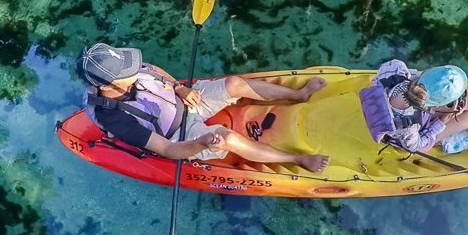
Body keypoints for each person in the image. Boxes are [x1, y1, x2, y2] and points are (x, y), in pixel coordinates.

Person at [77, 43, 331, 172]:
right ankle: (297, 158)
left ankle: (299, 95)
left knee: (233, 83)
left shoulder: (127, 67)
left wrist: (179, 88)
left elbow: (154, 71)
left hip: (188, 101)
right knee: (227, 138)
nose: (133, 67)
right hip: (177, 135)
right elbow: (166, 149)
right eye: (126, 71)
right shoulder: (112, 116)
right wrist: (203, 143)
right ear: (111, 83)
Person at [369, 59, 468, 152]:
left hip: (412, 104)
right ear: (436, 106)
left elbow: (411, 84)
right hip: (416, 132)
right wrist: (444, 120)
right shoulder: (407, 128)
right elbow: (416, 146)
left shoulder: (395, 68)